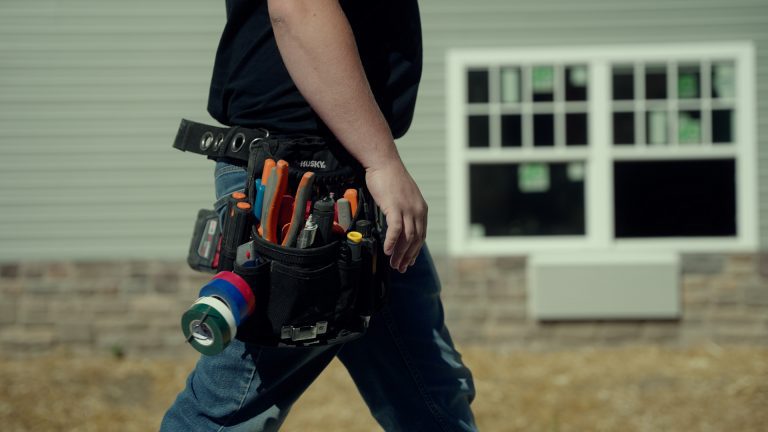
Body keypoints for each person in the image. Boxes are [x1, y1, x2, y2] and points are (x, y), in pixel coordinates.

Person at [160, 0, 477, 430]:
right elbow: (299, 6)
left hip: (352, 177)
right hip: (298, 175)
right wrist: (382, 161)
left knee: (433, 398)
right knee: (226, 415)